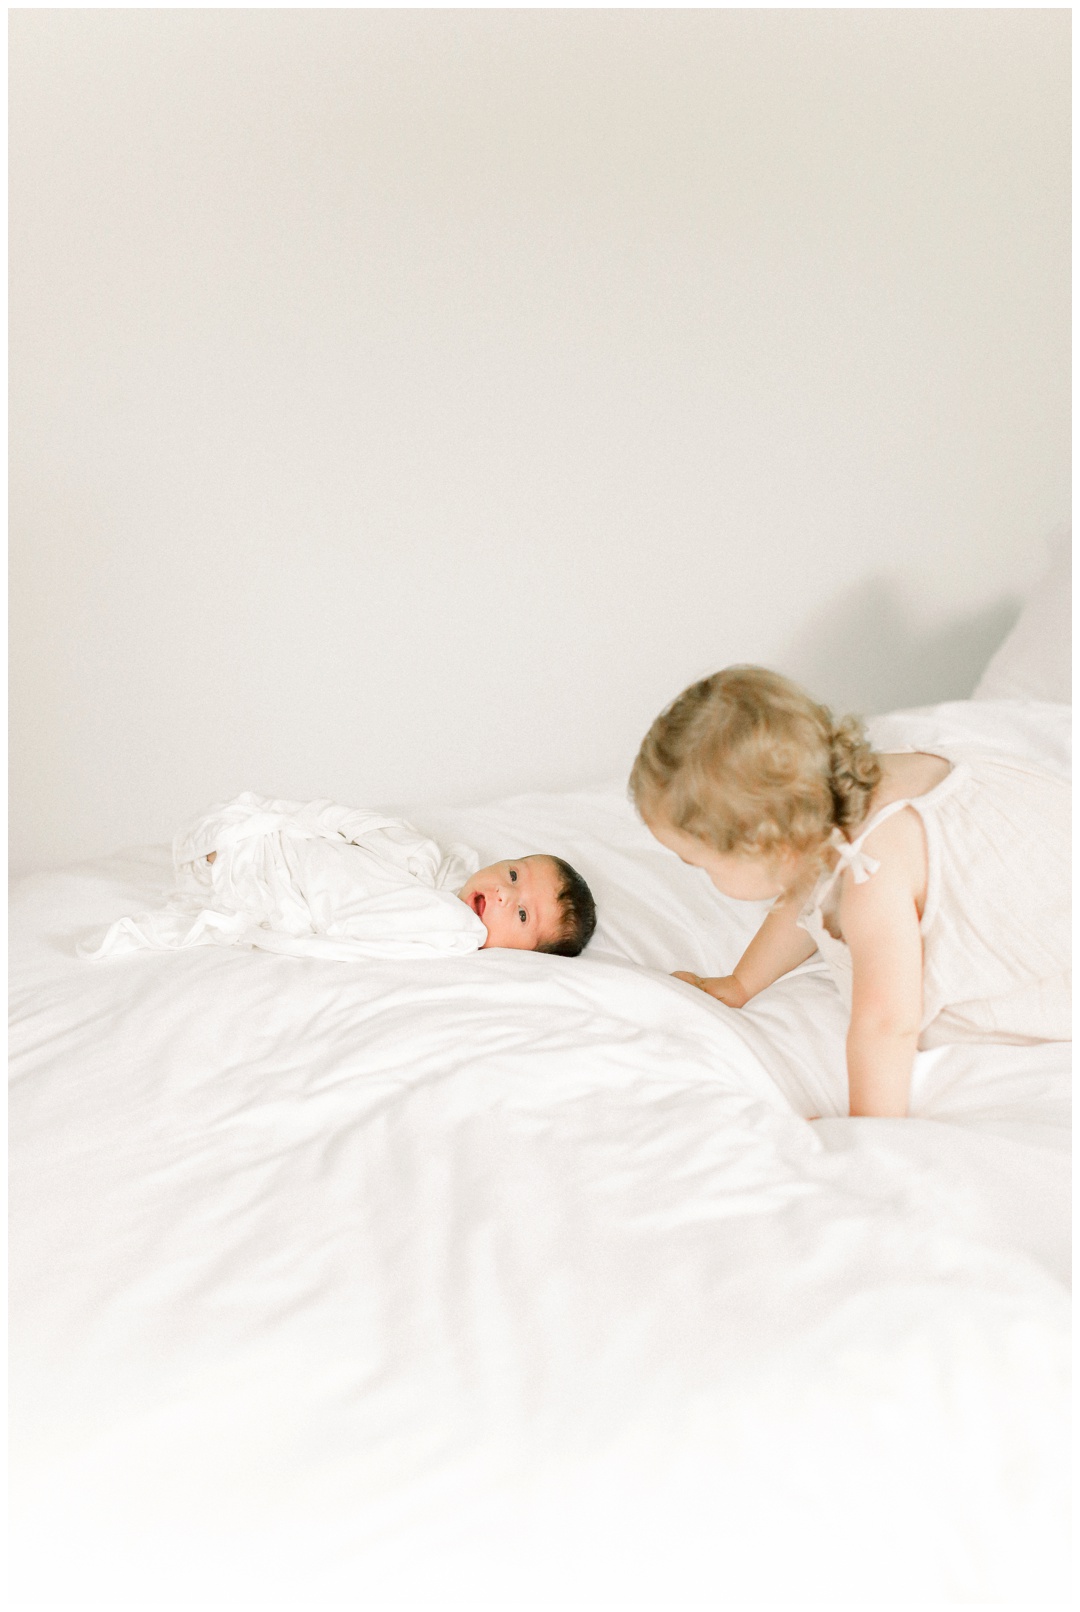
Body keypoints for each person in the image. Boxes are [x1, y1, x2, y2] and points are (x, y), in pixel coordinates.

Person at [630, 666, 1070, 1118]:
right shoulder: (837, 795)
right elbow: (802, 897)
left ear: (772, 848)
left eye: (696, 862)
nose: (691, 869)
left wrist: (867, 1127)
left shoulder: (872, 874)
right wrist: (740, 983)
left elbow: (886, 1022)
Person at [80, 791, 596, 963]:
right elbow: (358, 833)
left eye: (522, 914)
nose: (505, 894)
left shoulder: (451, 931)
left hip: (284, 882)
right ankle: (239, 852)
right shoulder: (435, 862)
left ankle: (238, 864)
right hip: (284, 848)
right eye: (512, 873)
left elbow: (351, 923)